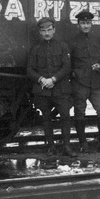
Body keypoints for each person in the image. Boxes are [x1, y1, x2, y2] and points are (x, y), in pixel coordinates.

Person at [27, 17, 73, 156]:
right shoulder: (35, 49)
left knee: (65, 117)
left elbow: (67, 66)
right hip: (43, 91)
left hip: (60, 89)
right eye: (43, 30)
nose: (46, 33)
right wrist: (42, 79)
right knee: (46, 118)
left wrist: (54, 79)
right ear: (40, 32)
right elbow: (30, 70)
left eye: (49, 30)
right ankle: (51, 147)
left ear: (54, 30)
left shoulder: (63, 46)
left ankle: (67, 147)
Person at [68, 10, 100, 153]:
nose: (85, 26)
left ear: (91, 24)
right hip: (80, 82)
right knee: (79, 112)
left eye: (88, 23)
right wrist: (74, 73)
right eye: (83, 23)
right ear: (78, 25)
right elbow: (67, 62)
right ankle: (83, 143)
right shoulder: (72, 41)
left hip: (97, 81)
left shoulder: (98, 39)